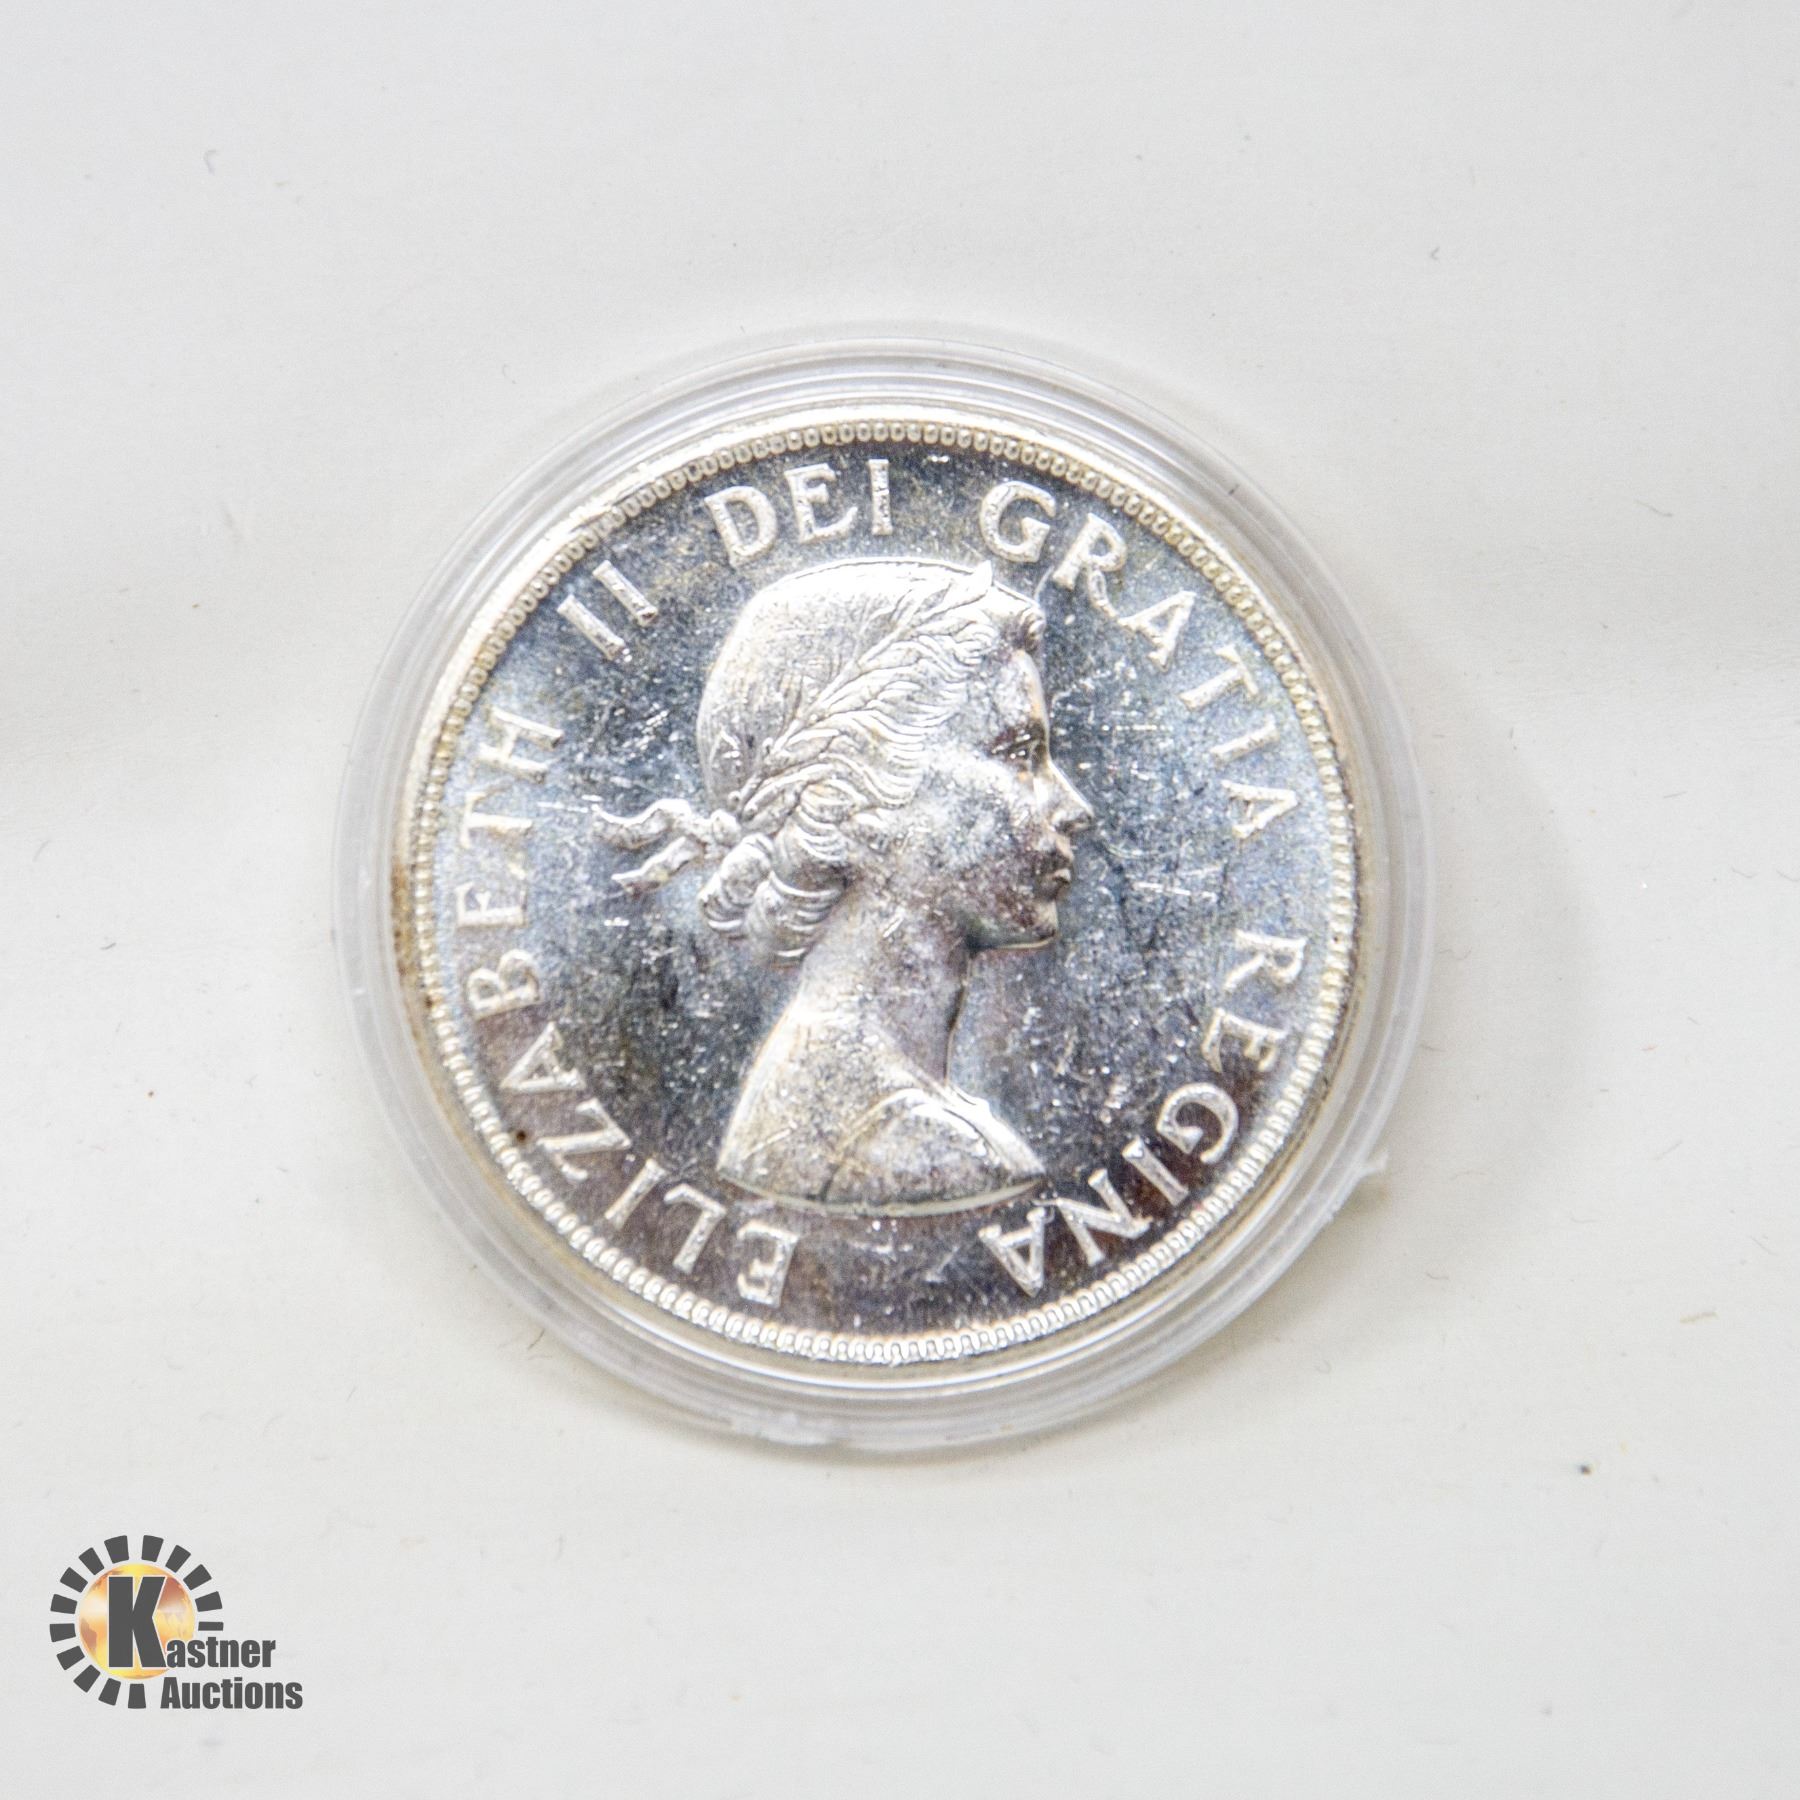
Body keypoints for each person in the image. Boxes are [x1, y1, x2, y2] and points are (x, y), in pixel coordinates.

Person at [596, 559, 1093, 1211]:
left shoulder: (829, 1096)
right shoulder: (925, 1150)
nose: (1073, 808)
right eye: (1018, 754)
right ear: (850, 798)